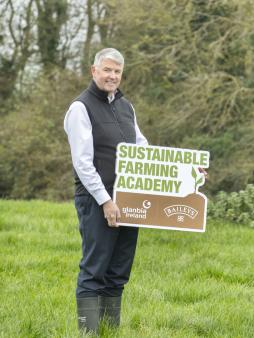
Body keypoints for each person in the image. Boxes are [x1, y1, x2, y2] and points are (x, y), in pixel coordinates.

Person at [64, 48, 148, 334]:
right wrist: (106, 201)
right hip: (97, 200)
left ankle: (110, 331)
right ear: (94, 71)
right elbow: (83, 163)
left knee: (119, 270)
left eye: (117, 72)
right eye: (107, 70)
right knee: (94, 270)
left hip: (129, 199)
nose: (112, 76)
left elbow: (143, 148)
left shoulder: (127, 106)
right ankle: (89, 333)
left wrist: (186, 172)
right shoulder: (80, 108)